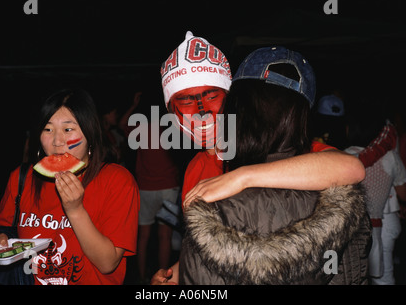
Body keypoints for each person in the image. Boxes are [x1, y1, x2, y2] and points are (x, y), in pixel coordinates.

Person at [152, 32, 366, 284]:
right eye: (186, 101)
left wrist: (241, 177)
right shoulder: (195, 167)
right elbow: (205, 249)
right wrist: (175, 275)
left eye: (211, 96)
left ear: (234, 100)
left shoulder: (277, 151)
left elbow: (351, 166)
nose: (201, 113)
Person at [0, 89, 139, 285]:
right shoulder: (21, 178)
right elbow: (4, 229)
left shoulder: (117, 181)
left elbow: (108, 263)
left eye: (68, 130)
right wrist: (0, 241)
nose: (57, 141)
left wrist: (75, 210)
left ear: (90, 133)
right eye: (48, 129)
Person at [120, 91, 181, 283]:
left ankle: (141, 277)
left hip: (145, 188)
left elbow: (121, 125)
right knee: (165, 236)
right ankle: (164, 279)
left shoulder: (140, 128)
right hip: (168, 187)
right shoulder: (171, 127)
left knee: (143, 236)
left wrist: (133, 106)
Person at [346, 111, 406, 284]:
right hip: (377, 229)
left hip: (347, 231)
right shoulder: (391, 159)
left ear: (350, 130)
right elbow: (403, 194)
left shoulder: (341, 157)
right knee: (382, 277)